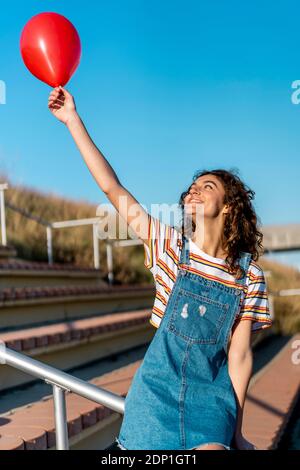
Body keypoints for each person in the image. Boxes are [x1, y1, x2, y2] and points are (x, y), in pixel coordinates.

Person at [48, 87, 272, 450]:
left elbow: (240, 355)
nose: (193, 192)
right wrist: (72, 119)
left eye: (207, 186)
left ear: (229, 207)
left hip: (212, 405)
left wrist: (236, 429)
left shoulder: (249, 276)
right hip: (153, 401)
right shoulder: (168, 247)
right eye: (191, 188)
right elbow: (111, 187)